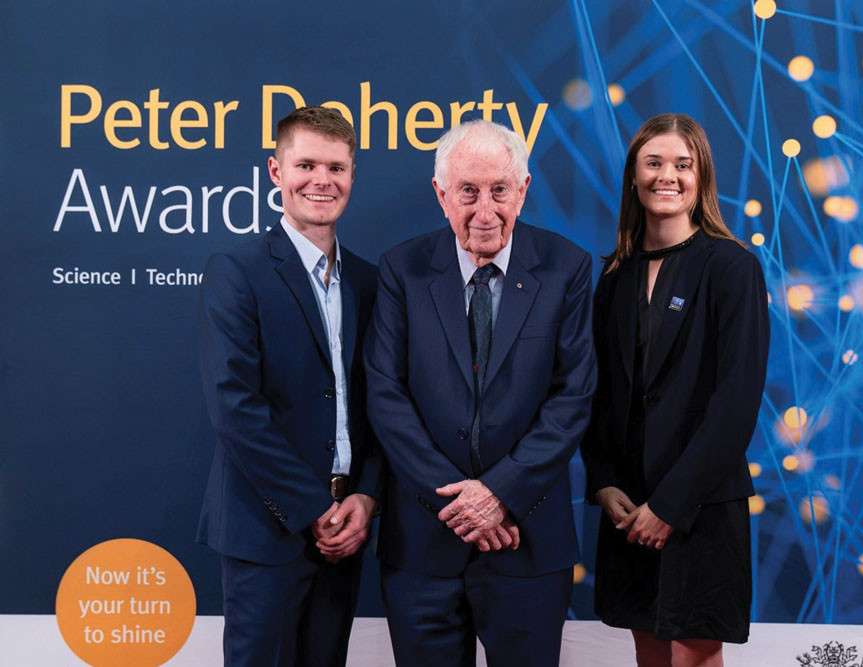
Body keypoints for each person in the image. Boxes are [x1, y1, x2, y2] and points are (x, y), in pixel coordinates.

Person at [364, 119, 597, 667]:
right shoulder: (403, 269)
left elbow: (573, 395)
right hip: (425, 540)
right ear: (441, 194)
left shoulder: (568, 268)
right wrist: (462, 502)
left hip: (527, 538)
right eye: (468, 191)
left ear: (523, 189)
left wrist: (500, 493)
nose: (486, 210)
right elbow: (386, 393)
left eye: (500, 190)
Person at [581, 113, 769, 667]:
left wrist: (670, 505)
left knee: (693, 653)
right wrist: (603, 483)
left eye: (682, 165)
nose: (668, 175)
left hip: (699, 506)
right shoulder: (613, 277)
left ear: (701, 177)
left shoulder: (732, 267)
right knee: (650, 654)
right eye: (654, 162)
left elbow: (736, 403)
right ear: (634, 178)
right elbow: (599, 394)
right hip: (629, 507)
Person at [197, 106, 380, 667]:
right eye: (305, 165)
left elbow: (382, 404)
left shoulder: (370, 281)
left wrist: (365, 499)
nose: (321, 181)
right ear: (275, 171)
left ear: (352, 175)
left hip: (347, 527)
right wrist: (311, 509)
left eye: (336, 167)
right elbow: (235, 410)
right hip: (266, 528)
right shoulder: (237, 270)